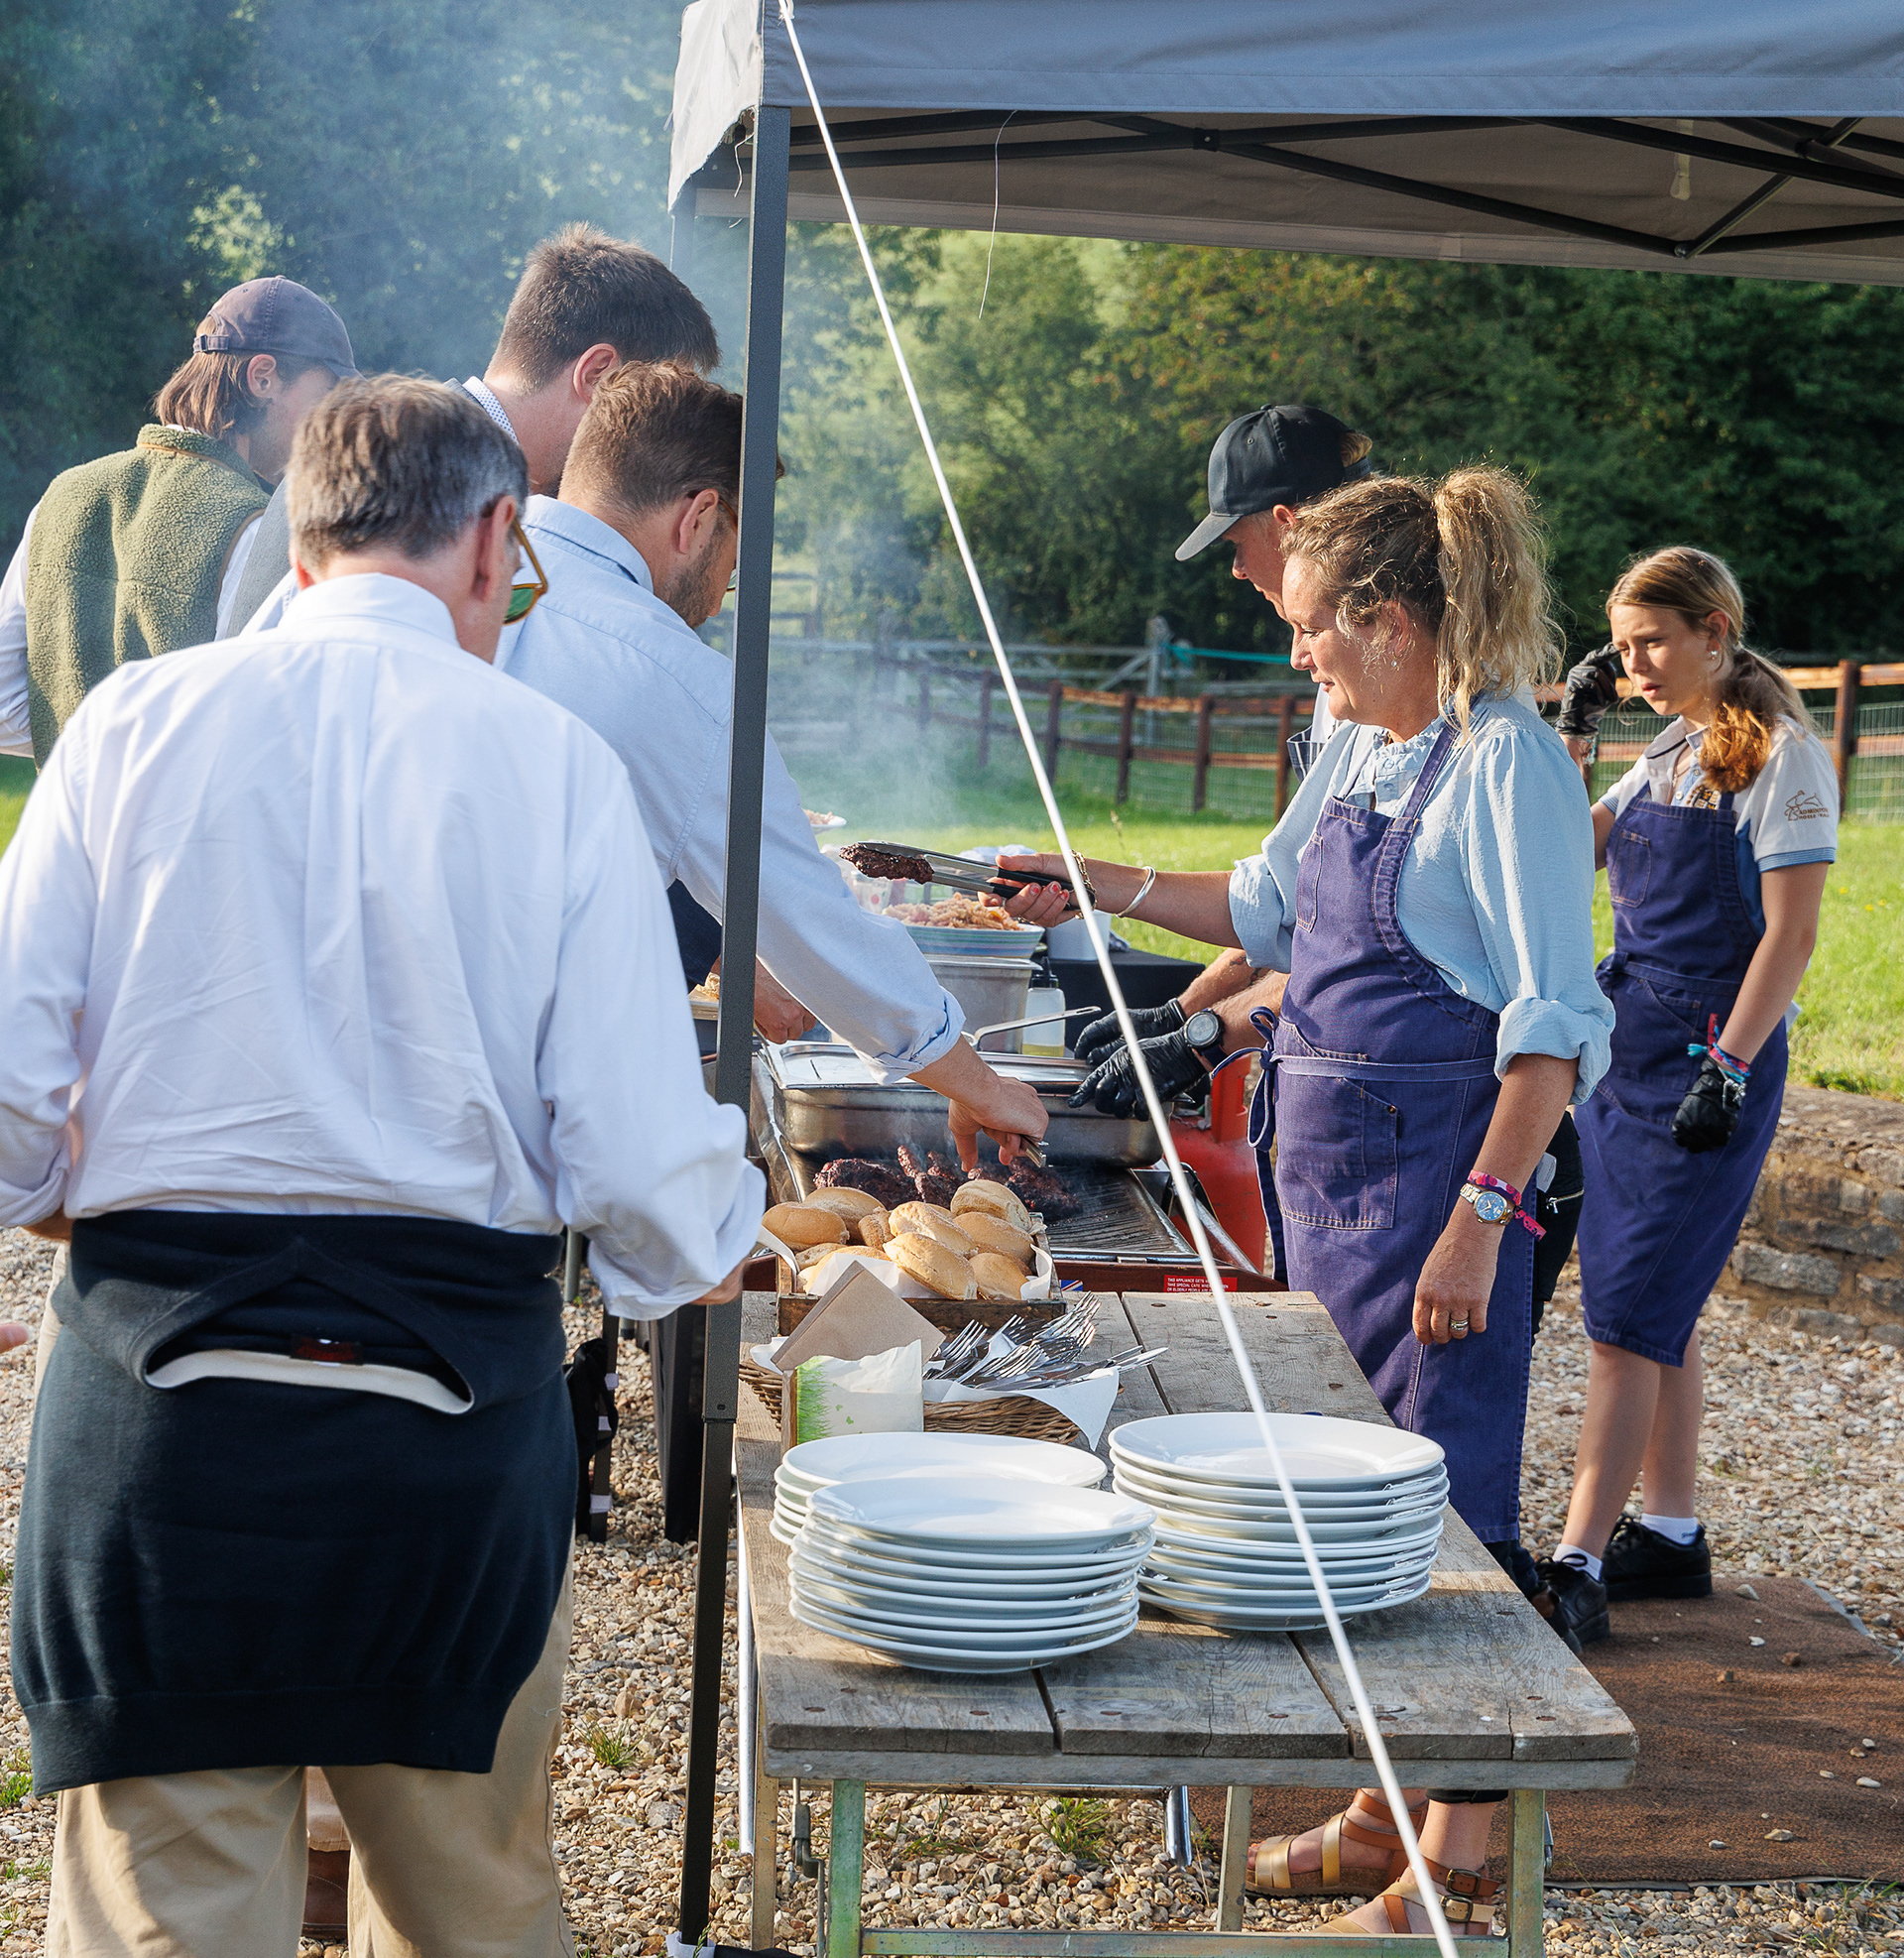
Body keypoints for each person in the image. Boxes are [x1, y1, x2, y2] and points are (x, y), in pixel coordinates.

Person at [0, 375, 763, 1954]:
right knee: (472, 1919)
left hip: (158, 1431)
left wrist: (84, 1188)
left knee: (162, 1925)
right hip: (444, 1445)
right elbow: (636, 1174)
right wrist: (711, 1236)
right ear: (497, 542)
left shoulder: (130, 726)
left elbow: (5, 1106)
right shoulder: (555, 766)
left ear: (299, 539)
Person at [1002, 467, 1612, 1938]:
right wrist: (1092, 883)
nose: (1297, 657)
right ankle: (1374, 1806)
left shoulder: (1506, 766)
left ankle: (1455, 1869)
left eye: (1309, 630)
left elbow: (1550, 1028)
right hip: (1334, 1192)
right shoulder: (1359, 742)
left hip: (1440, 1204)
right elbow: (1266, 909)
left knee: (1453, 1515)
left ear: (1393, 619)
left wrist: (1480, 1216)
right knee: (1348, 1506)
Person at [498, 359, 1048, 1167]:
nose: (723, 589)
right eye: (735, 550)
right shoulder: (674, 678)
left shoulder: (420, 565)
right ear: (698, 517)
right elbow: (813, 924)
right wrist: (981, 1085)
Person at [1538, 549, 1836, 1646]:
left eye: (1650, 642)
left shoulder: (1786, 762)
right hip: (1630, 1058)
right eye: (1618, 651)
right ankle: (1668, 1533)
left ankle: (1575, 1562)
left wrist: (1733, 1067)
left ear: (1715, 628)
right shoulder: (1662, 751)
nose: (1634, 667)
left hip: (1711, 1069)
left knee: (1622, 1322)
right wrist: (1573, 733)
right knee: (1654, 1305)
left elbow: (1792, 937)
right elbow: (1565, 851)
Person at [1068, 403, 1371, 1113]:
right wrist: (1186, 1011)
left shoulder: (1389, 683)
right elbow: (1302, 901)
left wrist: (1204, 1035)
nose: (1234, 569)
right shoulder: (1342, 671)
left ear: (1284, 521)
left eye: (1235, 541)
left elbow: (1357, 936)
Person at [223, 221, 718, 632]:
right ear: (597, 375)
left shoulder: (426, 460)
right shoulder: (389, 466)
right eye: (652, 404)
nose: (655, 435)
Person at [0, 276, 355, 762]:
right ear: (263, 377)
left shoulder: (59, 498)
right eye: (329, 395)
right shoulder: (258, 531)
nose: (331, 422)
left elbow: (3, 708)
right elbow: (263, 736)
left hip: (64, 833)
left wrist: (81, 752)